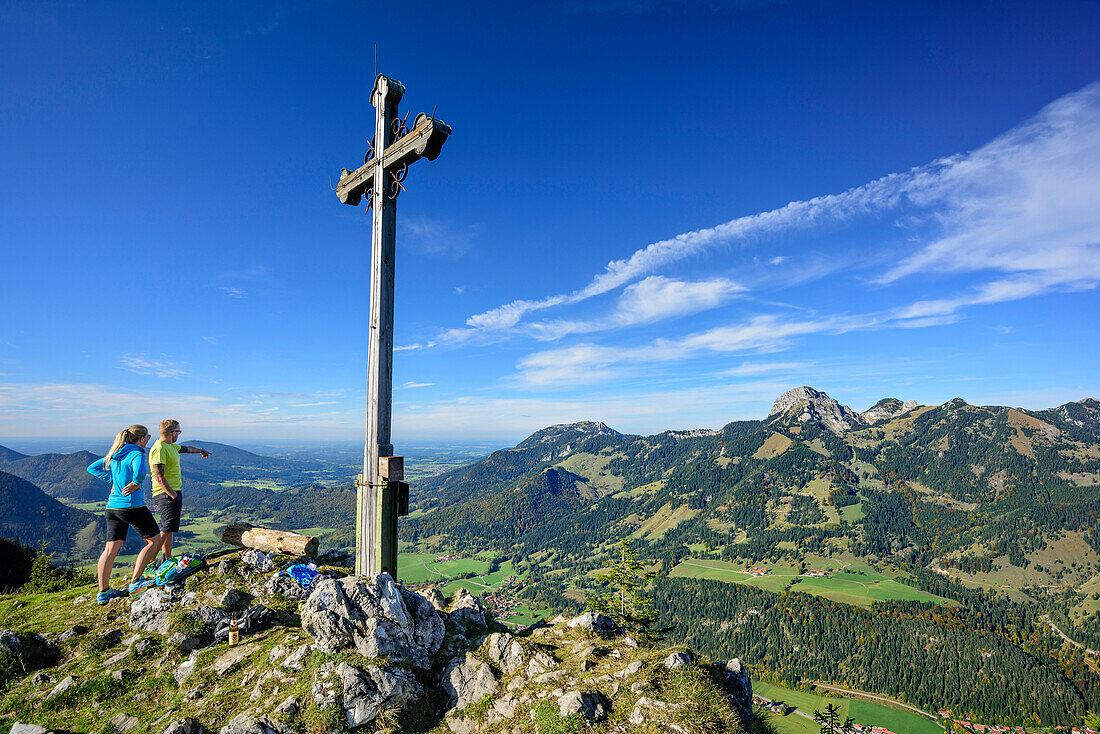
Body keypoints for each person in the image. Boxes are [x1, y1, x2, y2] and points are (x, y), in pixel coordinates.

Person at [86, 424, 163, 604]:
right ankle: (136, 581)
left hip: (112, 507)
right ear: (141, 439)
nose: (148, 440)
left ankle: (103, 592)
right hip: (132, 506)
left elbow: (93, 468)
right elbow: (140, 472)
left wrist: (113, 479)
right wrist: (136, 482)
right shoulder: (136, 453)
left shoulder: (115, 454)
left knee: (110, 549)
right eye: (148, 437)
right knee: (154, 540)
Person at [149, 419, 210, 565]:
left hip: (171, 493)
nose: (179, 434)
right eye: (179, 431)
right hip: (166, 494)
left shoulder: (171, 447)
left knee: (168, 529)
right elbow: (159, 477)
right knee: (165, 529)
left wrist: (201, 450)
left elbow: (187, 448)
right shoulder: (160, 448)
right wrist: (172, 495)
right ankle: (150, 562)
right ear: (172, 433)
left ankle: (167, 560)